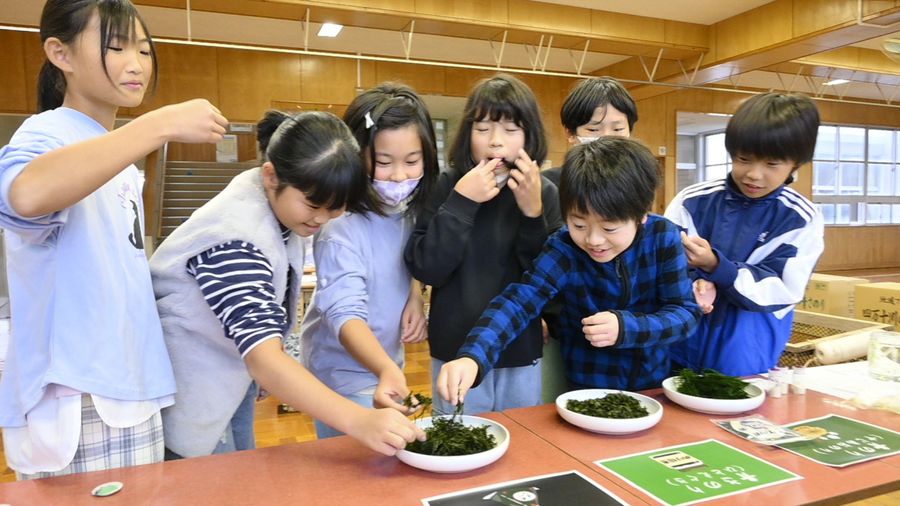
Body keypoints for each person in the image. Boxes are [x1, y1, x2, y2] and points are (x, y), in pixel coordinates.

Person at [0, 0, 229, 479]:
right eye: (115, 47)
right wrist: (160, 123)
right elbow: (26, 194)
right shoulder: (48, 131)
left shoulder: (118, 158)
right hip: (80, 392)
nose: (136, 64)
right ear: (59, 54)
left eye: (144, 50)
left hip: (128, 384)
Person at [150, 110, 425, 459]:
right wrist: (360, 421)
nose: (321, 219)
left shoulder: (280, 209)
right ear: (270, 176)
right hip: (186, 395)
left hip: (226, 385)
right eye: (313, 205)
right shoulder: (235, 238)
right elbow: (265, 359)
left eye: (335, 208)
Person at [436, 137, 701, 405]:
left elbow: (685, 313)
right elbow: (519, 301)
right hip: (585, 387)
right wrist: (473, 357)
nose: (594, 240)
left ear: (641, 215)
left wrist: (627, 328)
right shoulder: (564, 247)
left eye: (609, 228)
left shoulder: (663, 236)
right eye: (579, 224)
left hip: (652, 384)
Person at [405, 74, 563, 416]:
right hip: (454, 350)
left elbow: (547, 278)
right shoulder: (446, 185)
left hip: (520, 347)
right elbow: (427, 266)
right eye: (483, 129)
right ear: (467, 134)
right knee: (460, 442)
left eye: (510, 129)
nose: (495, 142)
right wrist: (462, 201)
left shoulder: (544, 191)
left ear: (529, 136)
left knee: (523, 443)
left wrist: (532, 213)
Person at [299, 83, 438, 438]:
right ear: (356, 157)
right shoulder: (339, 226)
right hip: (342, 375)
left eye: (411, 161)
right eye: (384, 162)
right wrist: (385, 369)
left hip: (386, 365)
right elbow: (345, 314)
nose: (399, 176)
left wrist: (413, 294)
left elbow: (403, 258)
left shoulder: (408, 212)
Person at [664, 92, 824, 376]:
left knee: (734, 410)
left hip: (745, 349)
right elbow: (661, 260)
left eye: (772, 164)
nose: (753, 174)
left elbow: (783, 288)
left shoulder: (800, 218)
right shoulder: (693, 200)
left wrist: (716, 267)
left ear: (796, 164)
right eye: (743, 159)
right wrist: (693, 280)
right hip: (679, 341)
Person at [542, 76, 638, 188]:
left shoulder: (639, 182)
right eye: (593, 130)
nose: (607, 138)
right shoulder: (546, 186)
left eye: (617, 129)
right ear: (570, 134)